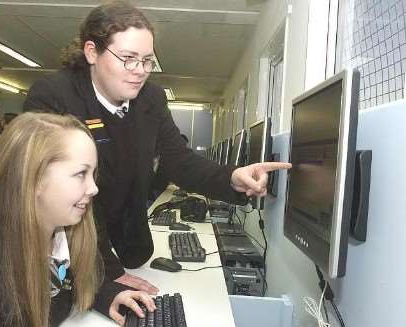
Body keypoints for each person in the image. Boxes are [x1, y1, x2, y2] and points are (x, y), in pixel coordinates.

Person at [23, 1, 291, 294]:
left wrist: (232, 177)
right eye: (127, 58)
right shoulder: (53, 96)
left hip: (127, 240)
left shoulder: (151, 98)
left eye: (147, 60)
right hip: (71, 244)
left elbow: (178, 161)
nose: (139, 71)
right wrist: (104, 272)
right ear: (92, 52)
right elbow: (51, 196)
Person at [0, 112, 155, 327]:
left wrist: (107, 295)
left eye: (93, 174)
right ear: (33, 178)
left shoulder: (64, 233)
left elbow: (71, 283)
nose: (94, 188)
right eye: (81, 174)